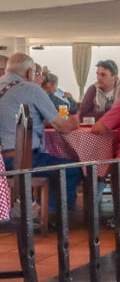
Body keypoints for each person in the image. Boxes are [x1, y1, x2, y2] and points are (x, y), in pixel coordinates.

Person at [0, 52, 81, 211]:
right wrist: (74, 122)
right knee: (74, 169)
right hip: (23, 160)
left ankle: (36, 208)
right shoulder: (31, 89)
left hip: (1, 160)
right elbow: (61, 126)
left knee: (53, 165)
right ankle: (46, 212)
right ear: (30, 73)